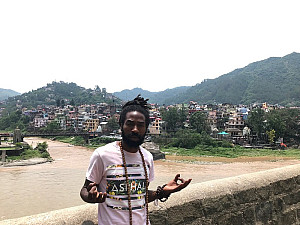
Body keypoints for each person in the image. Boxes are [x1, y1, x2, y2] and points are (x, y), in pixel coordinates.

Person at [80, 95, 192, 225]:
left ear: (146, 128)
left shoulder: (148, 158)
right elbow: (84, 190)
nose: (135, 129)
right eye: (130, 124)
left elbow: (139, 197)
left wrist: (161, 192)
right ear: (121, 125)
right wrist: (91, 196)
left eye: (140, 125)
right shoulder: (102, 155)